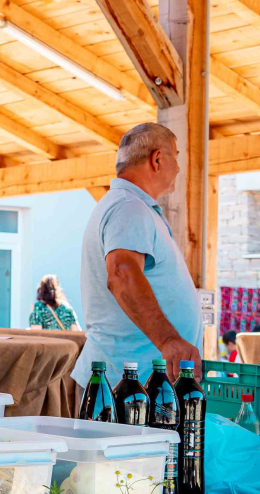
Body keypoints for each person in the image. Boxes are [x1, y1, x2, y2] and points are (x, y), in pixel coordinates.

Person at [73, 122, 202, 390]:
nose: (178, 168)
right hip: (126, 389)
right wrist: (168, 340)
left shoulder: (129, 206)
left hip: (132, 384)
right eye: (176, 156)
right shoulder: (128, 207)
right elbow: (121, 274)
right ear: (157, 159)